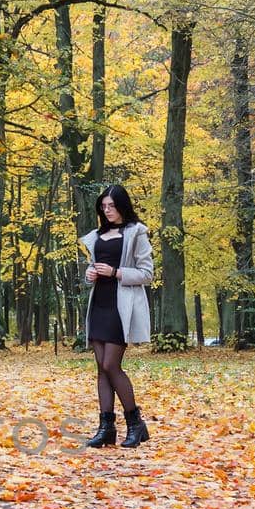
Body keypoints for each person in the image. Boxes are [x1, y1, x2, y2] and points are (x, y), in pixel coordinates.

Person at [80, 184, 152, 448]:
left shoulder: (136, 233)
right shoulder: (97, 236)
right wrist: (91, 274)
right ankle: (106, 428)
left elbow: (146, 273)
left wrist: (116, 272)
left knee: (111, 365)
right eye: (104, 206)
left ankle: (136, 423)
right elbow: (94, 267)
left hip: (121, 307)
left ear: (122, 205)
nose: (107, 210)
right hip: (99, 302)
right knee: (101, 368)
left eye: (111, 205)